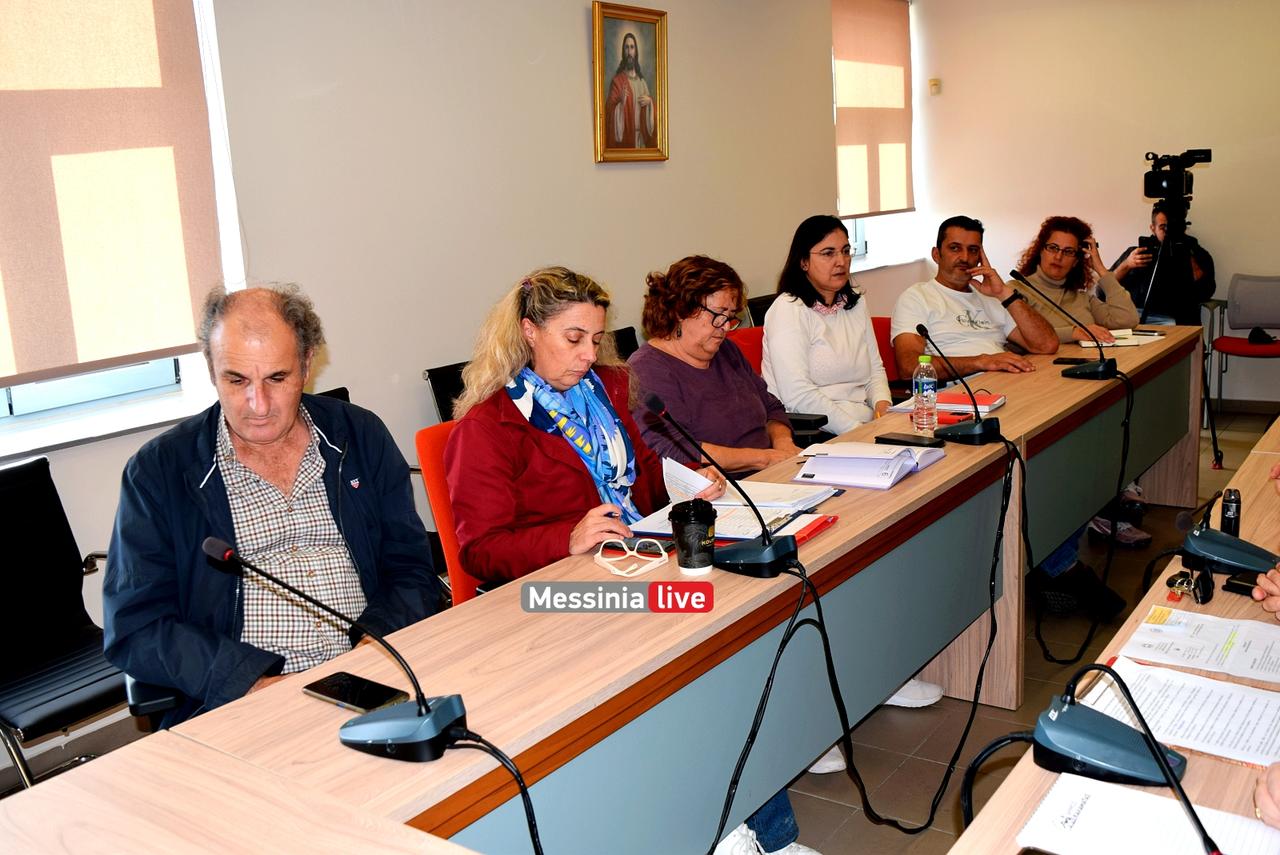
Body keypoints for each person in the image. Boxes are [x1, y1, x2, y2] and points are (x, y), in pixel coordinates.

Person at [445, 268, 813, 855]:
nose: (589, 355)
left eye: (596, 339)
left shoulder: (610, 388)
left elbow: (643, 474)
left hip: (635, 560)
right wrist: (565, 538)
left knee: (727, 637)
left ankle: (757, 828)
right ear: (529, 331)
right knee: (700, 651)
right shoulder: (489, 425)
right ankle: (732, 830)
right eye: (573, 339)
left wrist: (686, 482)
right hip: (551, 594)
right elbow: (480, 550)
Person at [103, 286, 445, 727]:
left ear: (307, 364)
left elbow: (410, 570)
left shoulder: (359, 436)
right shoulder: (159, 473)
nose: (258, 405)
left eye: (277, 379)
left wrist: (370, 651)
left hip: (374, 671)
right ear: (211, 369)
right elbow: (137, 626)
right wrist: (251, 684)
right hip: (247, 700)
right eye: (236, 380)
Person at [629, 255, 800, 473]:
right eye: (718, 315)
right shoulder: (648, 370)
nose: (726, 327)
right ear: (681, 310)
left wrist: (784, 444)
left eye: (730, 316)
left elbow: (771, 407)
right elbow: (674, 450)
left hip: (773, 470)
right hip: (723, 485)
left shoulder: (726, 351)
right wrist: (763, 459)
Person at [762, 215, 891, 436]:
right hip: (817, 430)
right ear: (803, 262)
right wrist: (857, 431)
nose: (841, 261)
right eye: (828, 253)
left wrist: (884, 410)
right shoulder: (788, 309)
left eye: (846, 251)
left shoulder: (856, 302)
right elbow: (797, 395)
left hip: (866, 423)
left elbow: (874, 371)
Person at [891, 215, 1059, 381]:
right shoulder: (917, 297)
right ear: (936, 254)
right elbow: (909, 367)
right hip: (958, 390)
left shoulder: (992, 298)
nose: (965, 258)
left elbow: (1046, 345)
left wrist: (1003, 292)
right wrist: (981, 362)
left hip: (1005, 381)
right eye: (955, 248)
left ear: (980, 257)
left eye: (972, 250)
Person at [1011, 215, 1140, 345]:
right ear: (1040, 251)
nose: (1058, 257)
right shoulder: (1016, 290)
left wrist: (1101, 269)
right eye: (1053, 248)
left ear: (1076, 261)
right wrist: (1074, 333)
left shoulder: (1082, 297)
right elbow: (1014, 334)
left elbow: (1127, 320)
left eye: (1068, 251)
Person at [1111, 201, 1216, 326]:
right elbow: (1102, 291)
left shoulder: (1197, 254)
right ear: (1153, 228)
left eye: (1173, 227)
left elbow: (1207, 292)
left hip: (1179, 322)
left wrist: (1189, 258)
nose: (1169, 232)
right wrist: (1126, 265)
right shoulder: (1136, 254)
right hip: (1138, 319)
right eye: (1163, 227)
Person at [605, 32, 656, 149]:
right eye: (626, 47)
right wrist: (620, 104)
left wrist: (650, 103)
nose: (629, 52)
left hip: (641, 143)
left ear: (636, 51)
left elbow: (653, 119)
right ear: (623, 51)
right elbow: (608, 112)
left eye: (632, 47)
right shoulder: (617, 82)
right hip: (626, 143)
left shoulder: (642, 83)